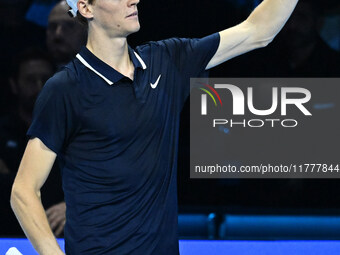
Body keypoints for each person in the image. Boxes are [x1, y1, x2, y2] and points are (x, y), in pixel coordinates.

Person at [10, 0, 299, 254]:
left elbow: (259, 30)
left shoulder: (168, 60)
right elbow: (23, 191)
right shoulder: (64, 89)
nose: (133, 0)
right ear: (86, 8)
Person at [0, 48, 60, 236]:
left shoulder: (73, 133)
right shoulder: (2, 133)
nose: (39, 87)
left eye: (45, 79)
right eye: (30, 80)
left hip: (60, 233)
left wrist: (72, 205)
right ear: (14, 85)